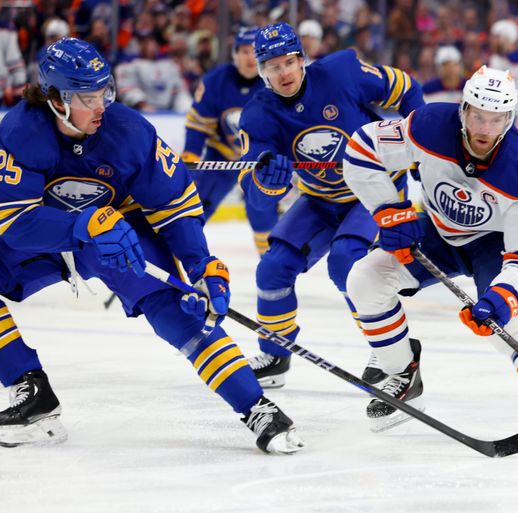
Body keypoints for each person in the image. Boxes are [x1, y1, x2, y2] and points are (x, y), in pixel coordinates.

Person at [0, 38, 304, 455]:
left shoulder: (130, 131)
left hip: (120, 236)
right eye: (88, 96)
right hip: (53, 234)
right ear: (56, 99)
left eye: (105, 90)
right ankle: (30, 390)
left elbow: (175, 209)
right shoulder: (22, 130)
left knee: (180, 309)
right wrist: (85, 222)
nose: (101, 104)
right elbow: (15, 222)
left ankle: (258, 407)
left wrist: (202, 265)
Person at [342, 65, 518, 450]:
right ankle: (402, 374)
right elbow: (362, 148)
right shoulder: (429, 123)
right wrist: (389, 210)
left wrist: (504, 296)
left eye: (497, 119)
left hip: (495, 246)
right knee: (365, 279)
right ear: (464, 109)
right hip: (437, 231)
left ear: (510, 118)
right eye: (478, 116)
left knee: (511, 328)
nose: (485, 129)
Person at [238, 22, 424, 388]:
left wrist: (416, 144)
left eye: (289, 62)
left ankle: (389, 349)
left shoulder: (341, 72)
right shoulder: (259, 114)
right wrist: (268, 181)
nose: (284, 72)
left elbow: (406, 88)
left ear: (302, 59)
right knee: (272, 269)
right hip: (322, 198)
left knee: (347, 262)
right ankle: (275, 353)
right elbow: (254, 191)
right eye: (272, 66)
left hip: (374, 188)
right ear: (262, 72)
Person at [182, 27, 277, 256]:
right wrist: (190, 154)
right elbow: (198, 124)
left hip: (259, 159)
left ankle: (271, 264)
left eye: (254, 51)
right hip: (221, 155)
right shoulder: (216, 80)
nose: (249, 57)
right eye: (244, 51)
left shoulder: (275, 80)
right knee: (194, 208)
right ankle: (178, 254)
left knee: (262, 212)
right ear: (235, 54)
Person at [115, 33, 192, 113]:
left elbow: (179, 90)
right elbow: (126, 88)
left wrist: (186, 107)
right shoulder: (128, 63)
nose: (151, 46)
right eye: (147, 43)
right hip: (138, 113)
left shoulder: (169, 64)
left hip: (167, 112)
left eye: (154, 43)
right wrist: (142, 104)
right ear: (140, 45)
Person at [488, 19, 518, 131]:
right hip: (497, 107)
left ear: (506, 38)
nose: (492, 41)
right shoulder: (495, 59)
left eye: (496, 37)